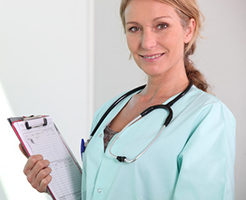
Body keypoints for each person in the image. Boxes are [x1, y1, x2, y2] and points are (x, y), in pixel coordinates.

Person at [19, 0, 236, 199]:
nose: (147, 42)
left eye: (161, 25)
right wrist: (52, 181)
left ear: (189, 29)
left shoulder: (207, 116)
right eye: (134, 28)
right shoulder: (109, 109)